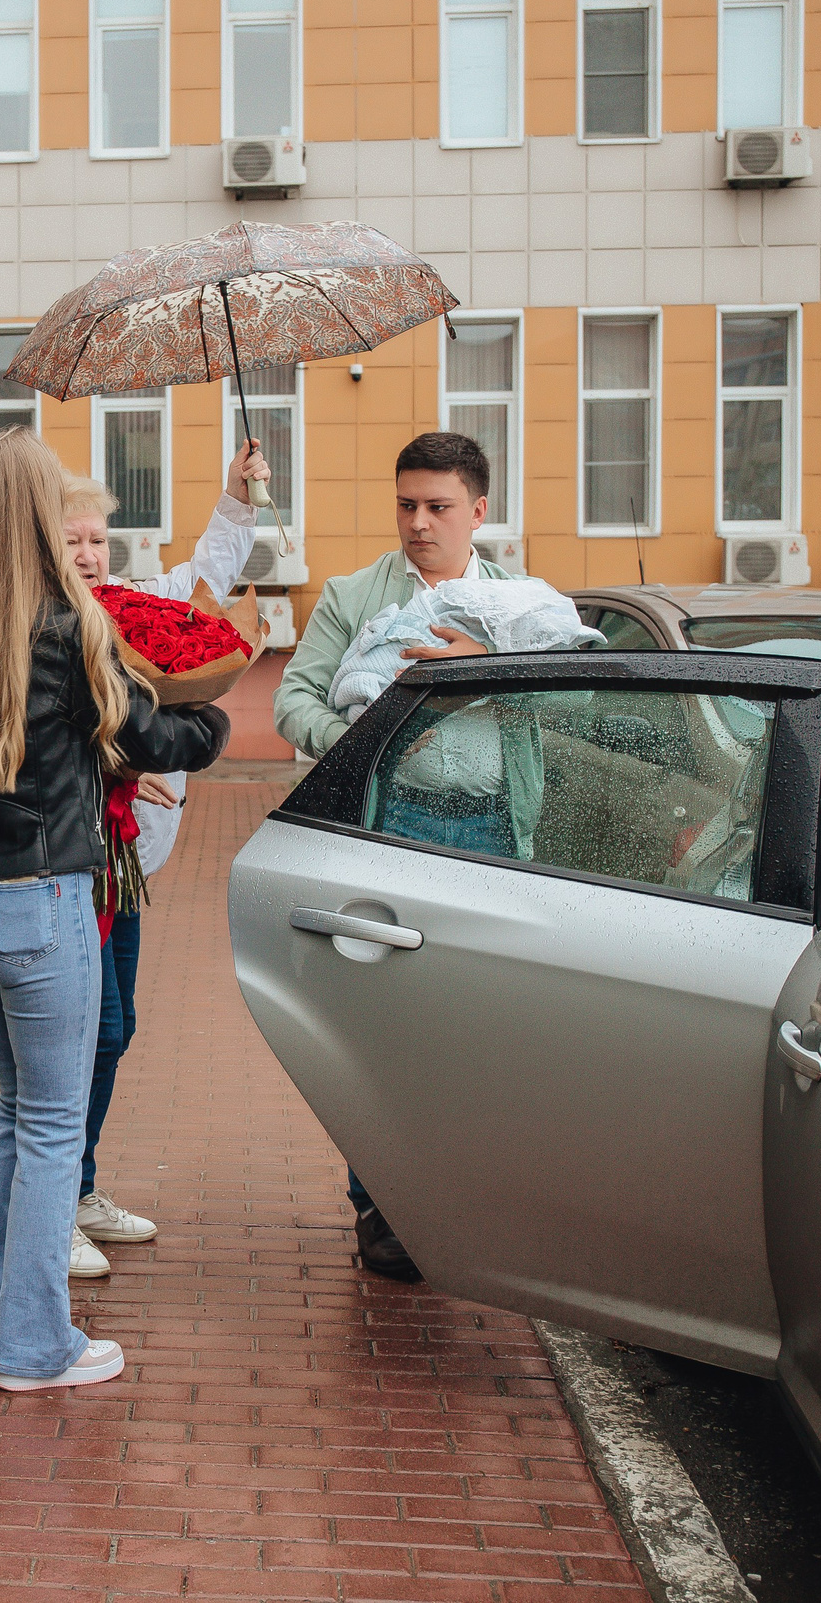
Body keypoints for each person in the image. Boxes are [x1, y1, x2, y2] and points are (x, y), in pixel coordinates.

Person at [0, 428, 232, 1392]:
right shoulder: (67, 626)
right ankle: (37, 1347)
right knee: (52, 1120)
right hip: (41, 905)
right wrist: (216, 712)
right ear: (38, 518)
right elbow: (158, 732)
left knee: (19, 1105)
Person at [271, 430, 526, 1282]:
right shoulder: (354, 598)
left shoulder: (521, 607)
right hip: (390, 826)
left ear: (479, 511)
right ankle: (381, 1212)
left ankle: (458, 1204)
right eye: (407, 505)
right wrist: (366, 739)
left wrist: (490, 664)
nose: (420, 523)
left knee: (475, 1030)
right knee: (378, 1027)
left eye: (439, 507)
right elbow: (295, 701)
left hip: (494, 834)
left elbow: (569, 697)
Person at [54, 437, 270, 1278]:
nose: (86, 552)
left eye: (96, 540)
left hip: (124, 865)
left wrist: (236, 496)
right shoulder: (47, 631)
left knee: (117, 1027)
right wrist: (111, 760)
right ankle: (55, 1200)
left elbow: (204, 580)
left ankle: (78, 1188)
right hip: (69, 865)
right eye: (69, 539)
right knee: (87, 1032)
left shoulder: (127, 607)